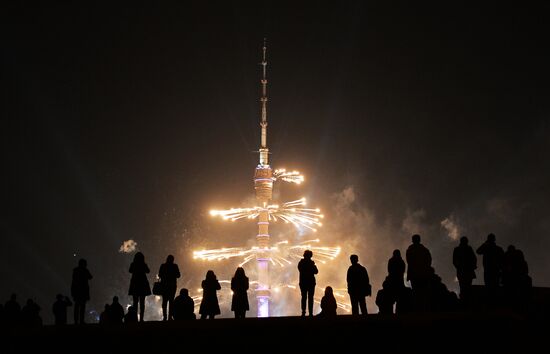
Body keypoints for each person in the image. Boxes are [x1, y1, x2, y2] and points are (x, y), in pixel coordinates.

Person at [476, 233, 504, 301]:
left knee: (489, 285)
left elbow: (478, 251)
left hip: (489, 269)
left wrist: (485, 244)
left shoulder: (486, 248)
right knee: (495, 285)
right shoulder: (498, 249)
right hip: (494, 270)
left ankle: (491, 300)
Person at [128, 251, 151, 322]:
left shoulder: (133, 264)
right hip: (143, 284)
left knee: (135, 303)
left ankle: (135, 319)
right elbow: (148, 271)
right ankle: (141, 318)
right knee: (142, 303)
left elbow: (130, 270)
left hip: (135, 284)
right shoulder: (143, 264)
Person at [452, 236, 477, 301]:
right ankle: (466, 300)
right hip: (466, 271)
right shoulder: (468, 249)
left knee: (463, 286)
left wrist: (459, 267)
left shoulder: (458, 249)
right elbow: (474, 259)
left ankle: (464, 300)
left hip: (463, 271)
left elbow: (454, 261)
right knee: (466, 286)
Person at [158, 255, 181, 321]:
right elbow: (178, 275)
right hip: (172, 286)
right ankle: (170, 317)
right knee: (171, 301)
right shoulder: (175, 266)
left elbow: (160, 274)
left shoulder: (163, 266)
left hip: (164, 285)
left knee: (164, 301)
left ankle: (164, 316)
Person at [71, 258, 93, 324]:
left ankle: (76, 321)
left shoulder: (76, 270)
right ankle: (81, 321)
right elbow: (90, 277)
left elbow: (73, 281)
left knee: (77, 306)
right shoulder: (85, 270)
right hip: (83, 291)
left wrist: (72, 291)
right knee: (82, 307)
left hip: (77, 291)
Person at [298, 250, 318, 317]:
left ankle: (303, 312)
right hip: (311, 282)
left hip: (303, 282)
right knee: (310, 298)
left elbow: (301, 269)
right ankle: (310, 313)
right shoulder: (311, 263)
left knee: (304, 297)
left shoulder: (301, 263)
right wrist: (312, 265)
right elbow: (316, 271)